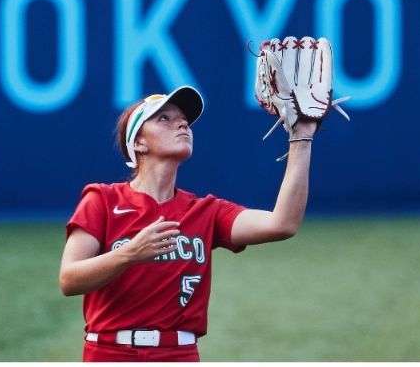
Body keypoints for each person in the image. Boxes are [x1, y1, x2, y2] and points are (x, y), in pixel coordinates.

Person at [59, 85, 316, 362]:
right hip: (109, 352)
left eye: (184, 120)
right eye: (164, 118)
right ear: (138, 143)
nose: (182, 123)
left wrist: (301, 139)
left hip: (179, 354)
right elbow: (69, 280)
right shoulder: (103, 199)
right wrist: (129, 254)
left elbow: (283, 223)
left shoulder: (205, 211)